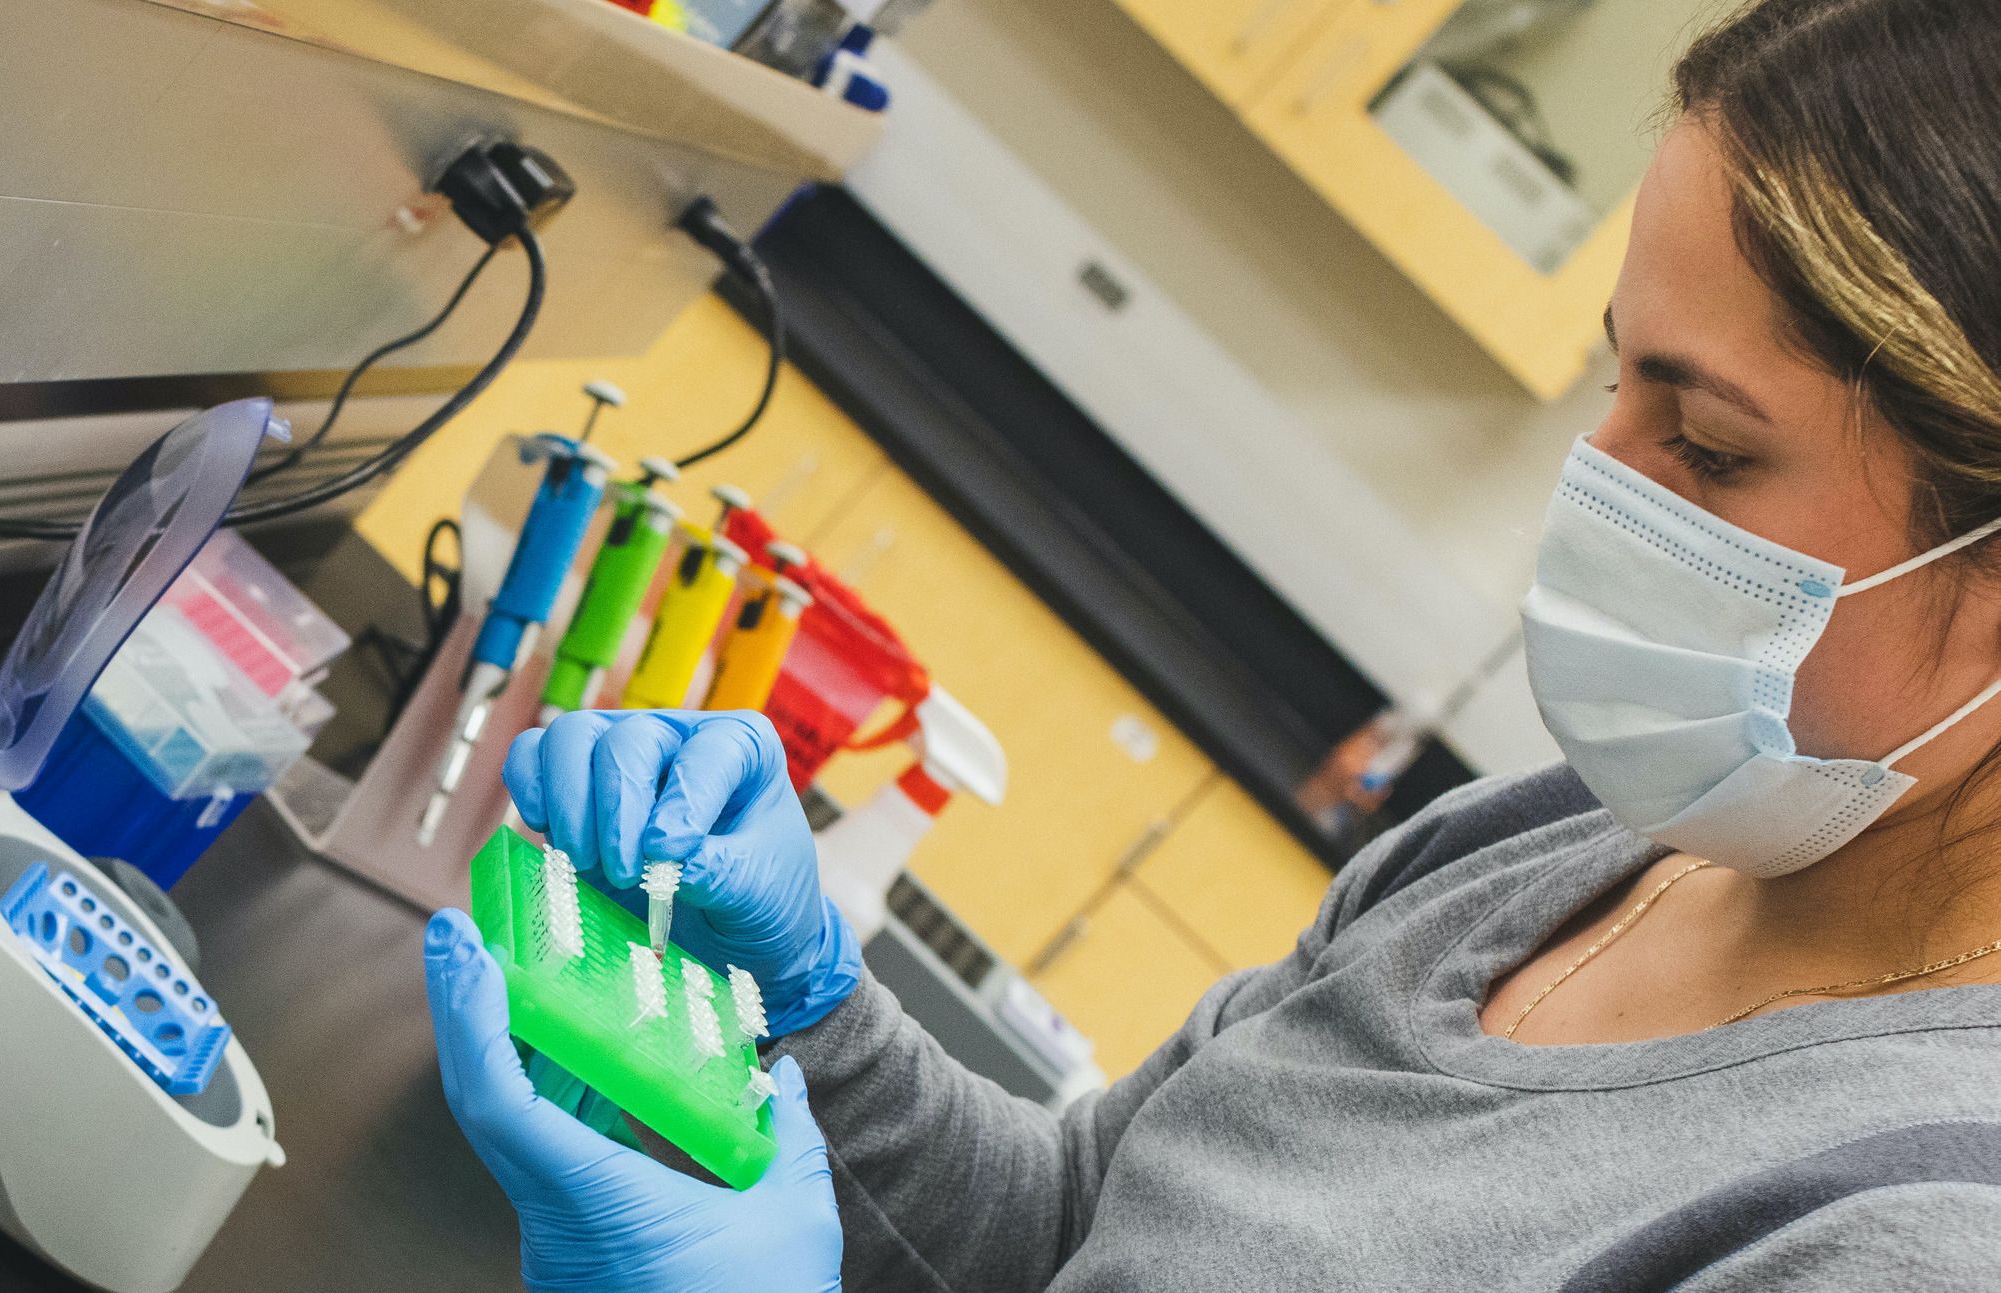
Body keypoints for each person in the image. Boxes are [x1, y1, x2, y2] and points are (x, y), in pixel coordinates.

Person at [421, 1, 2001, 1286]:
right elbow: (1071, 1225)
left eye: (1711, 448)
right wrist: (813, 1011)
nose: (1602, 487)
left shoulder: (1906, 1233)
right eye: (1616, 390)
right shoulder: (1535, 849)